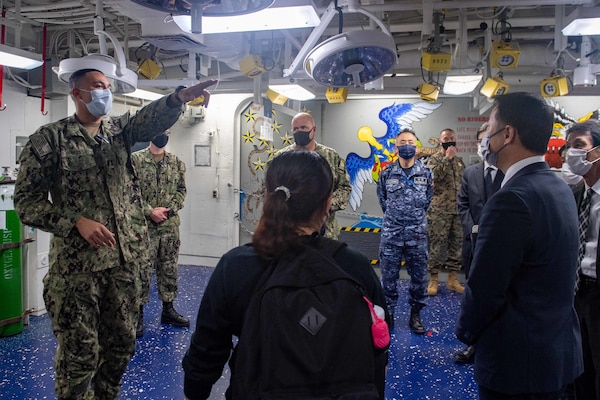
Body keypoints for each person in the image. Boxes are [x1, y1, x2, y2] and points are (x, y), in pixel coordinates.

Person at [13, 67, 216, 400]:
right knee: (79, 357)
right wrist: (75, 221)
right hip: (77, 271)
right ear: (78, 93)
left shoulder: (119, 132)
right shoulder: (49, 139)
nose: (105, 92)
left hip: (124, 267)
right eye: (97, 86)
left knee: (121, 346)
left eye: (108, 86)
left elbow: (147, 121)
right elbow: (27, 203)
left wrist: (178, 98)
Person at [182, 150, 389, 399]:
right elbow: (378, 346)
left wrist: (196, 392)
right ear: (327, 205)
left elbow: (207, 350)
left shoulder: (236, 267)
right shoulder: (355, 266)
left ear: (269, 197)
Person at [456, 92, 583, 400]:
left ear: (507, 134)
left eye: (489, 127)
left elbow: (486, 287)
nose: (486, 136)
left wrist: (466, 332)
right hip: (554, 353)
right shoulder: (559, 187)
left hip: (517, 363)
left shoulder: (511, 199)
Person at [454, 123, 504, 364]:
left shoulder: (509, 173)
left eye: (489, 139)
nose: (485, 145)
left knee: (499, 295)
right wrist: (472, 229)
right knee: (473, 295)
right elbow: (463, 204)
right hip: (473, 245)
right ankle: (472, 344)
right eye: (481, 140)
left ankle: (495, 344)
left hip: (501, 246)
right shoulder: (471, 172)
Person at [131, 130, 189, 337]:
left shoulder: (176, 162)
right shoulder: (135, 160)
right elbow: (129, 191)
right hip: (143, 226)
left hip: (169, 224)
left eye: (166, 132)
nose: (163, 135)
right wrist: (150, 211)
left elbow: (182, 191)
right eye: (159, 132)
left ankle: (168, 309)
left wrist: (169, 210)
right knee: (141, 270)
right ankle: (137, 315)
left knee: (169, 267)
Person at [377, 128, 433, 334]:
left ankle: (415, 314)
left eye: (410, 141)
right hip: (391, 234)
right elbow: (383, 200)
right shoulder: (386, 173)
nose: (407, 145)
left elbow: (427, 201)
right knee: (388, 278)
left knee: (419, 278)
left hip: (417, 235)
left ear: (416, 146)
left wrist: (412, 219)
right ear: (396, 146)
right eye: (403, 142)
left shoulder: (426, 173)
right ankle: (389, 313)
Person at [271, 112, 351, 239]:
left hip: (325, 233)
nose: (299, 131)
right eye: (296, 129)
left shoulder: (331, 156)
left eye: (303, 128)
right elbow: (269, 190)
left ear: (313, 130)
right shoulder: (281, 159)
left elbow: (344, 188)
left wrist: (322, 206)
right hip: (288, 233)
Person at [564, 119, 600, 400]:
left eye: (580, 146)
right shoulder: (576, 194)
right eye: (569, 147)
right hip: (577, 290)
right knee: (580, 365)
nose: (571, 154)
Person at [426, 128, 466, 295]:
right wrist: (447, 159)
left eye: (452, 138)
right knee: (436, 246)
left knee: (456, 246)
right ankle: (433, 280)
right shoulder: (433, 160)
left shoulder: (459, 162)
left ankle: (452, 279)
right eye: (446, 138)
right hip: (439, 212)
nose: (449, 140)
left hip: (457, 211)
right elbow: (433, 177)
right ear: (440, 141)